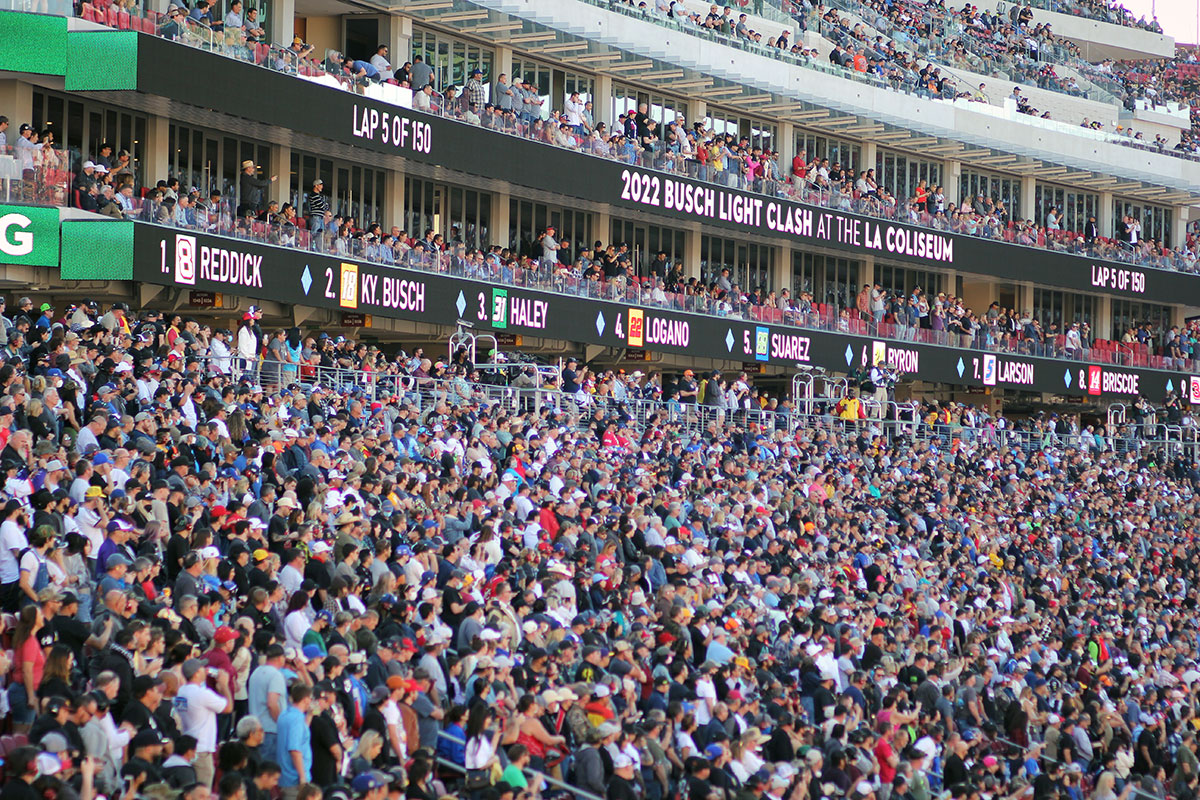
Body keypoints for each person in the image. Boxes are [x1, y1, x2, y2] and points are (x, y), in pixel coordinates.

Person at [177, 657, 234, 788]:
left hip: (188, 744)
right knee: (203, 788)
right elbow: (229, 708)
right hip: (202, 748)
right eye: (202, 668)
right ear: (197, 673)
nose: (205, 670)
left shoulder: (181, 691)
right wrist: (225, 686)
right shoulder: (202, 694)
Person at [278, 682, 314, 800]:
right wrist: (302, 777)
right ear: (306, 699)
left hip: (285, 776)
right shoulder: (297, 719)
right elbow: (294, 749)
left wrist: (309, 716)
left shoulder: (285, 714)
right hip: (294, 779)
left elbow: (301, 735)